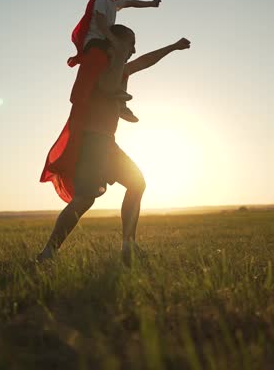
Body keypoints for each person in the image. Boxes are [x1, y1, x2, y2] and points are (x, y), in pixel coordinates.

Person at [40, 23, 191, 264]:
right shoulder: (103, 68)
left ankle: (128, 247)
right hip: (93, 143)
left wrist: (173, 47)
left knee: (136, 183)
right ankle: (48, 253)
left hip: (106, 143)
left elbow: (144, 61)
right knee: (85, 198)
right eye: (130, 43)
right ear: (115, 42)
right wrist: (119, 93)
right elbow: (107, 87)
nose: (132, 49)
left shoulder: (120, 70)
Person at [70, 0, 161, 123]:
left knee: (119, 68)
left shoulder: (112, 2)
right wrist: (113, 39)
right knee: (116, 58)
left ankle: (121, 101)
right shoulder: (101, 0)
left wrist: (150, 3)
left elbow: (131, 2)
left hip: (104, 41)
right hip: (95, 43)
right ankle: (112, 93)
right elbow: (100, 21)